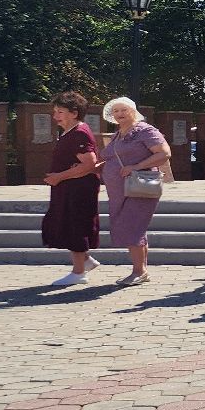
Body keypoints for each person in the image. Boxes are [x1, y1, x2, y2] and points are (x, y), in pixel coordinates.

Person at [99, 96, 168, 286]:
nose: (120, 114)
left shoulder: (144, 131)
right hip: (121, 192)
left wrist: (137, 166)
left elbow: (164, 153)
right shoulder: (119, 133)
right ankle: (141, 271)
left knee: (132, 227)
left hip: (139, 188)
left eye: (124, 110)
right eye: (116, 111)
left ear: (133, 111)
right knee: (134, 228)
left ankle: (138, 271)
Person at [41, 91, 104, 286]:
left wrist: (59, 177)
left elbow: (90, 164)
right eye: (55, 111)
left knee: (75, 225)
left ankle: (79, 273)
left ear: (74, 113)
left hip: (78, 190)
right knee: (66, 223)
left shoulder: (79, 133)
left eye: (60, 112)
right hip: (69, 188)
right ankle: (86, 260)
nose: (55, 116)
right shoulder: (71, 132)